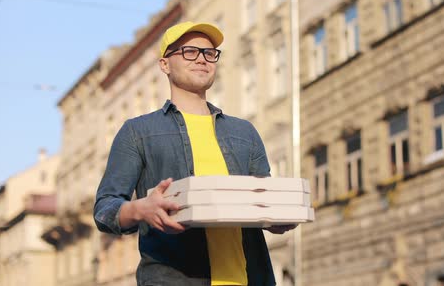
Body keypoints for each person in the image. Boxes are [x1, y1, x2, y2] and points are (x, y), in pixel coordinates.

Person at [94, 21, 295, 286]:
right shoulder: (138, 131)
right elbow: (104, 208)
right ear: (165, 64)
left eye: (209, 53)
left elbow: (261, 202)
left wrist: (276, 218)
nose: (202, 59)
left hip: (250, 279)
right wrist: (140, 209)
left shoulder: (244, 132)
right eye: (189, 51)